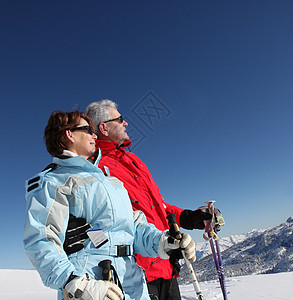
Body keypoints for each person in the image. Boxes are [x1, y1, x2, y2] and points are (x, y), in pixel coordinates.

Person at [23, 110, 196, 300]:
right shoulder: (53, 182)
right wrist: (74, 282)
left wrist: (163, 242)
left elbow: (132, 227)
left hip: (133, 282)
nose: (94, 135)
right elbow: (41, 239)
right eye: (88, 130)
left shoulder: (109, 181)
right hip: (93, 285)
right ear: (69, 134)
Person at [83, 100, 215, 300]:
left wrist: (192, 218)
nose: (125, 123)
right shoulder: (94, 168)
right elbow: (91, 225)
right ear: (104, 128)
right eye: (120, 119)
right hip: (134, 275)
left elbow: (159, 207)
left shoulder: (134, 161)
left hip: (165, 265)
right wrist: (107, 259)